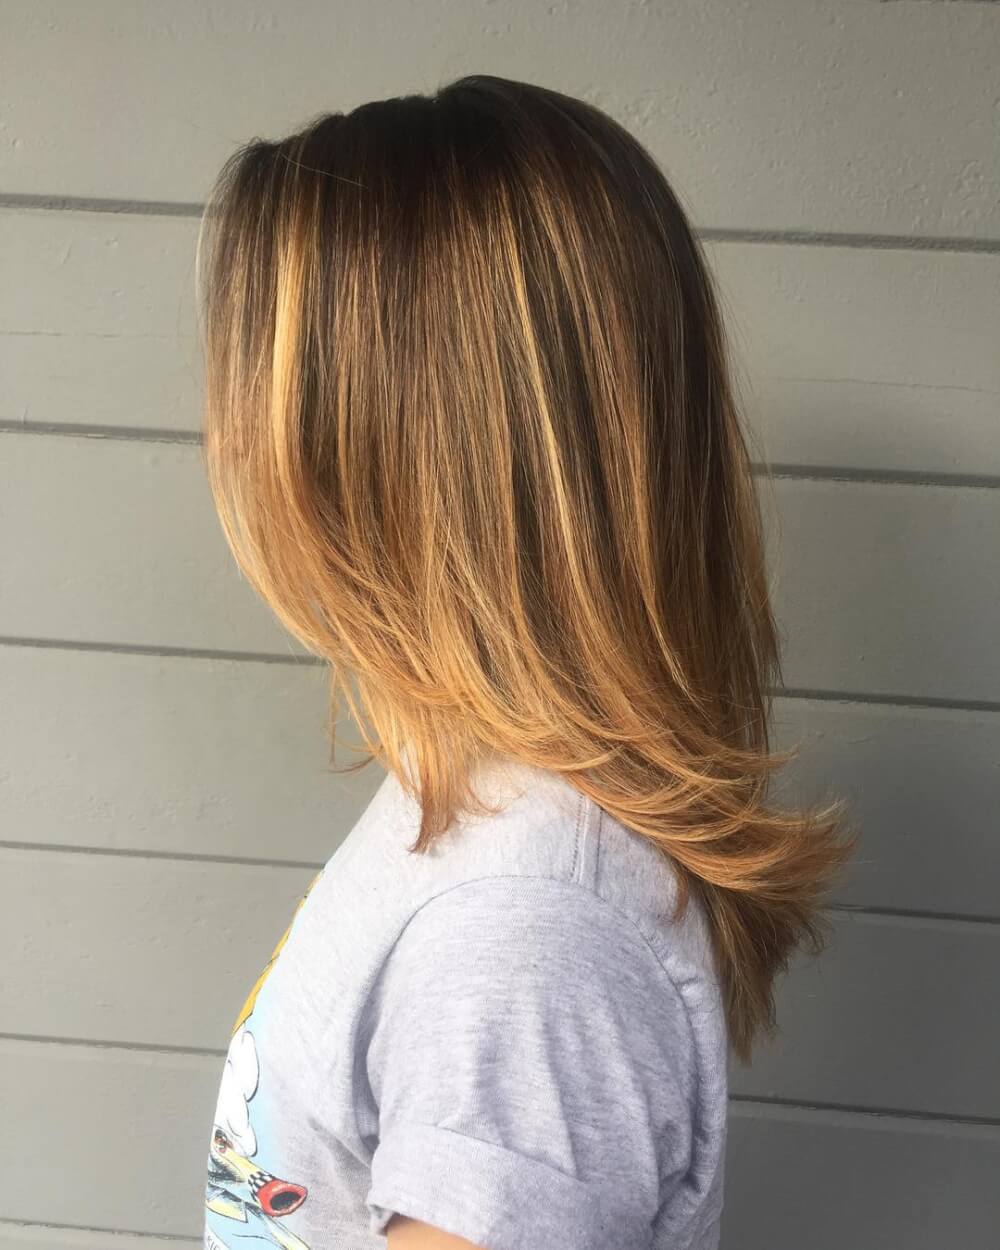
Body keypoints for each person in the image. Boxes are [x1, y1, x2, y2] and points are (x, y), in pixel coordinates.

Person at [195, 73, 854, 1250]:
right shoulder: (492, 816)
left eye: (250, 386)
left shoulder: (518, 949)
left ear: (356, 451)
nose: (221, 432)